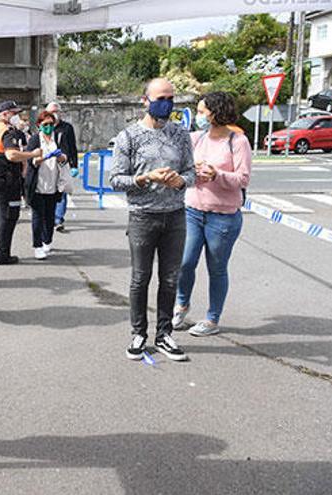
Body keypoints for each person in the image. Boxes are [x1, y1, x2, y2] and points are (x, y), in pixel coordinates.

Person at [109, 78, 195, 363]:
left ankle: (165, 334)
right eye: (161, 98)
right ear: (145, 100)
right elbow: (116, 180)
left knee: (170, 279)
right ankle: (138, 334)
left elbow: (191, 172)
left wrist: (180, 180)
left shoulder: (181, 134)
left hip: (175, 215)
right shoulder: (128, 137)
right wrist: (146, 178)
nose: (167, 103)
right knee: (140, 278)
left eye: (171, 98)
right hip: (143, 216)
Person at [172, 92, 251, 336]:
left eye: (202, 111)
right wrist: (191, 170)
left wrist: (217, 174)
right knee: (185, 263)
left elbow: (243, 179)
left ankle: (212, 319)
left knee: (216, 268)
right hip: (193, 210)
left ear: (216, 113)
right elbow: (181, 169)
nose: (199, 116)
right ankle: (181, 304)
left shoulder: (237, 141)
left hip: (223, 217)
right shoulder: (196, 139)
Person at [0, 101, 43, 265]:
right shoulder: (7, 131)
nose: (17, 117)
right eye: (14, 113)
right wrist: (31, 154)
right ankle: (3, 254)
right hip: (7, 180)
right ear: (5, 114)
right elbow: (11, 155)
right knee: (8, 217)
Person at [25, 111, 70, 260]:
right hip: (38, 184)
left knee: (50, 216)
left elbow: (65, 157)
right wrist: (43, 157)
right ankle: (37, 245)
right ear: (39, 125)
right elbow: (31, 160)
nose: (48, 127)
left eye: (51, 124)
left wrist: (60, 156)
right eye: (45, 125)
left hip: (53, 183)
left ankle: (47, 241)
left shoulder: (58, 138)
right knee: (38, 216)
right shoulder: (34, 140)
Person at [45, 102, 79, 232]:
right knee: (48, 192)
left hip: (63, 164)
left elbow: (72, 147)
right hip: (47, 165)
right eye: (52, 111)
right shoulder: (44, 126)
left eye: (57, 111)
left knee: (62, 192)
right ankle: (49, 217)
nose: (55, 114)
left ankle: (58, 219)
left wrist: (74, 165)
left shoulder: (67, 128)